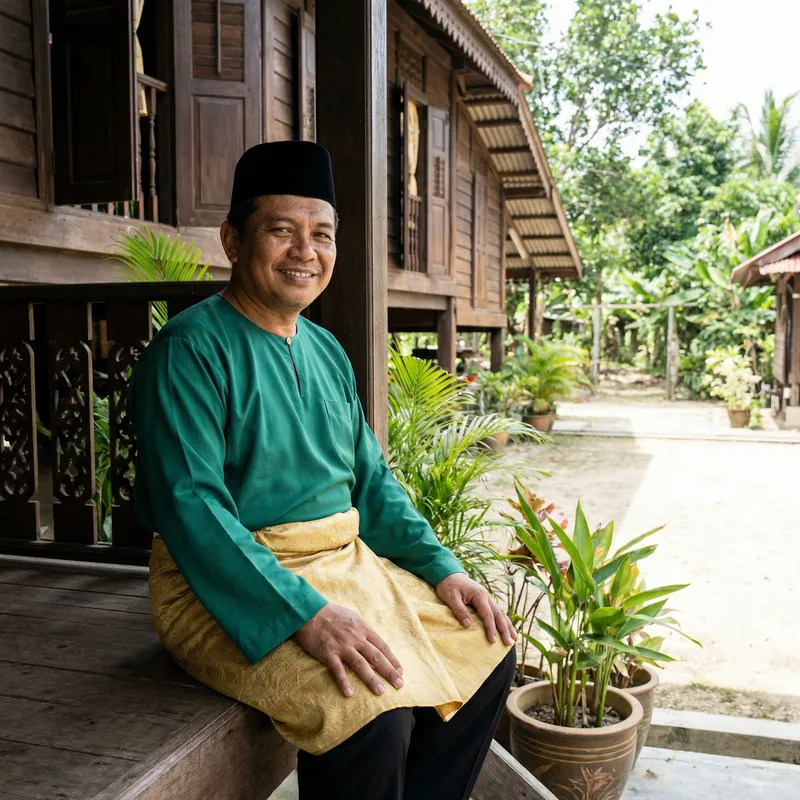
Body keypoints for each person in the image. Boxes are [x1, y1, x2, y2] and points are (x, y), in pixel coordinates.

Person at [130, 140, 517, 800]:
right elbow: (191, 506)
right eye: (281, 231)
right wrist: (299, 612)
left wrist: (443, 569)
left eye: (321, 234)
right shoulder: (189, 348)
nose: (305, 252)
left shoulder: (327, 349)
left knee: (484, 654)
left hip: (346, 565)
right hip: (221, 588)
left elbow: (371, 481)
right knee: (371, 711)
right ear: (232, 240)